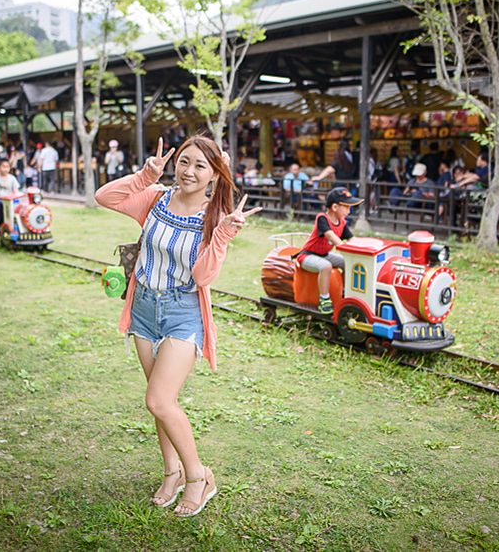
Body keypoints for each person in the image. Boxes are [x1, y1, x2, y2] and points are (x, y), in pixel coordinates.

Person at [95, 135, 258, 517]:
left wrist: (221, 236)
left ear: (214, 174)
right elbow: (106, 197)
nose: (189, 171)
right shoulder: (155, 198)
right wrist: (144, 175)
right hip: (144, 309)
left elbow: (203, 276)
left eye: (200, 166)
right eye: (184, 161)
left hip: (182, 313)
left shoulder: (214, 218)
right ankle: (171, 472)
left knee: (159, 400)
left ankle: (199, 477)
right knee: (160, 402)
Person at [296, 187, 362, 314]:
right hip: (307, 255)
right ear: (335, 207)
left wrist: (361, 248)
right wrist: (343, 247)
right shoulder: (322, 218)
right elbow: (330, 235)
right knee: (326, 266)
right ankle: (324, 300)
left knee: (346, 262)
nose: (349, 211)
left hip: (323, 255)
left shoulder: (342, 223)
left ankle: (345, 291)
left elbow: (352, 239)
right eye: (347, 207)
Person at [0, 159, 21, 230]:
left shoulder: (12, 178)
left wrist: (18, 197)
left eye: (7, 167)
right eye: (3, 167)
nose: (6, 169)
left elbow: (16, 191)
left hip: (10, 200)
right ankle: (0, 224)